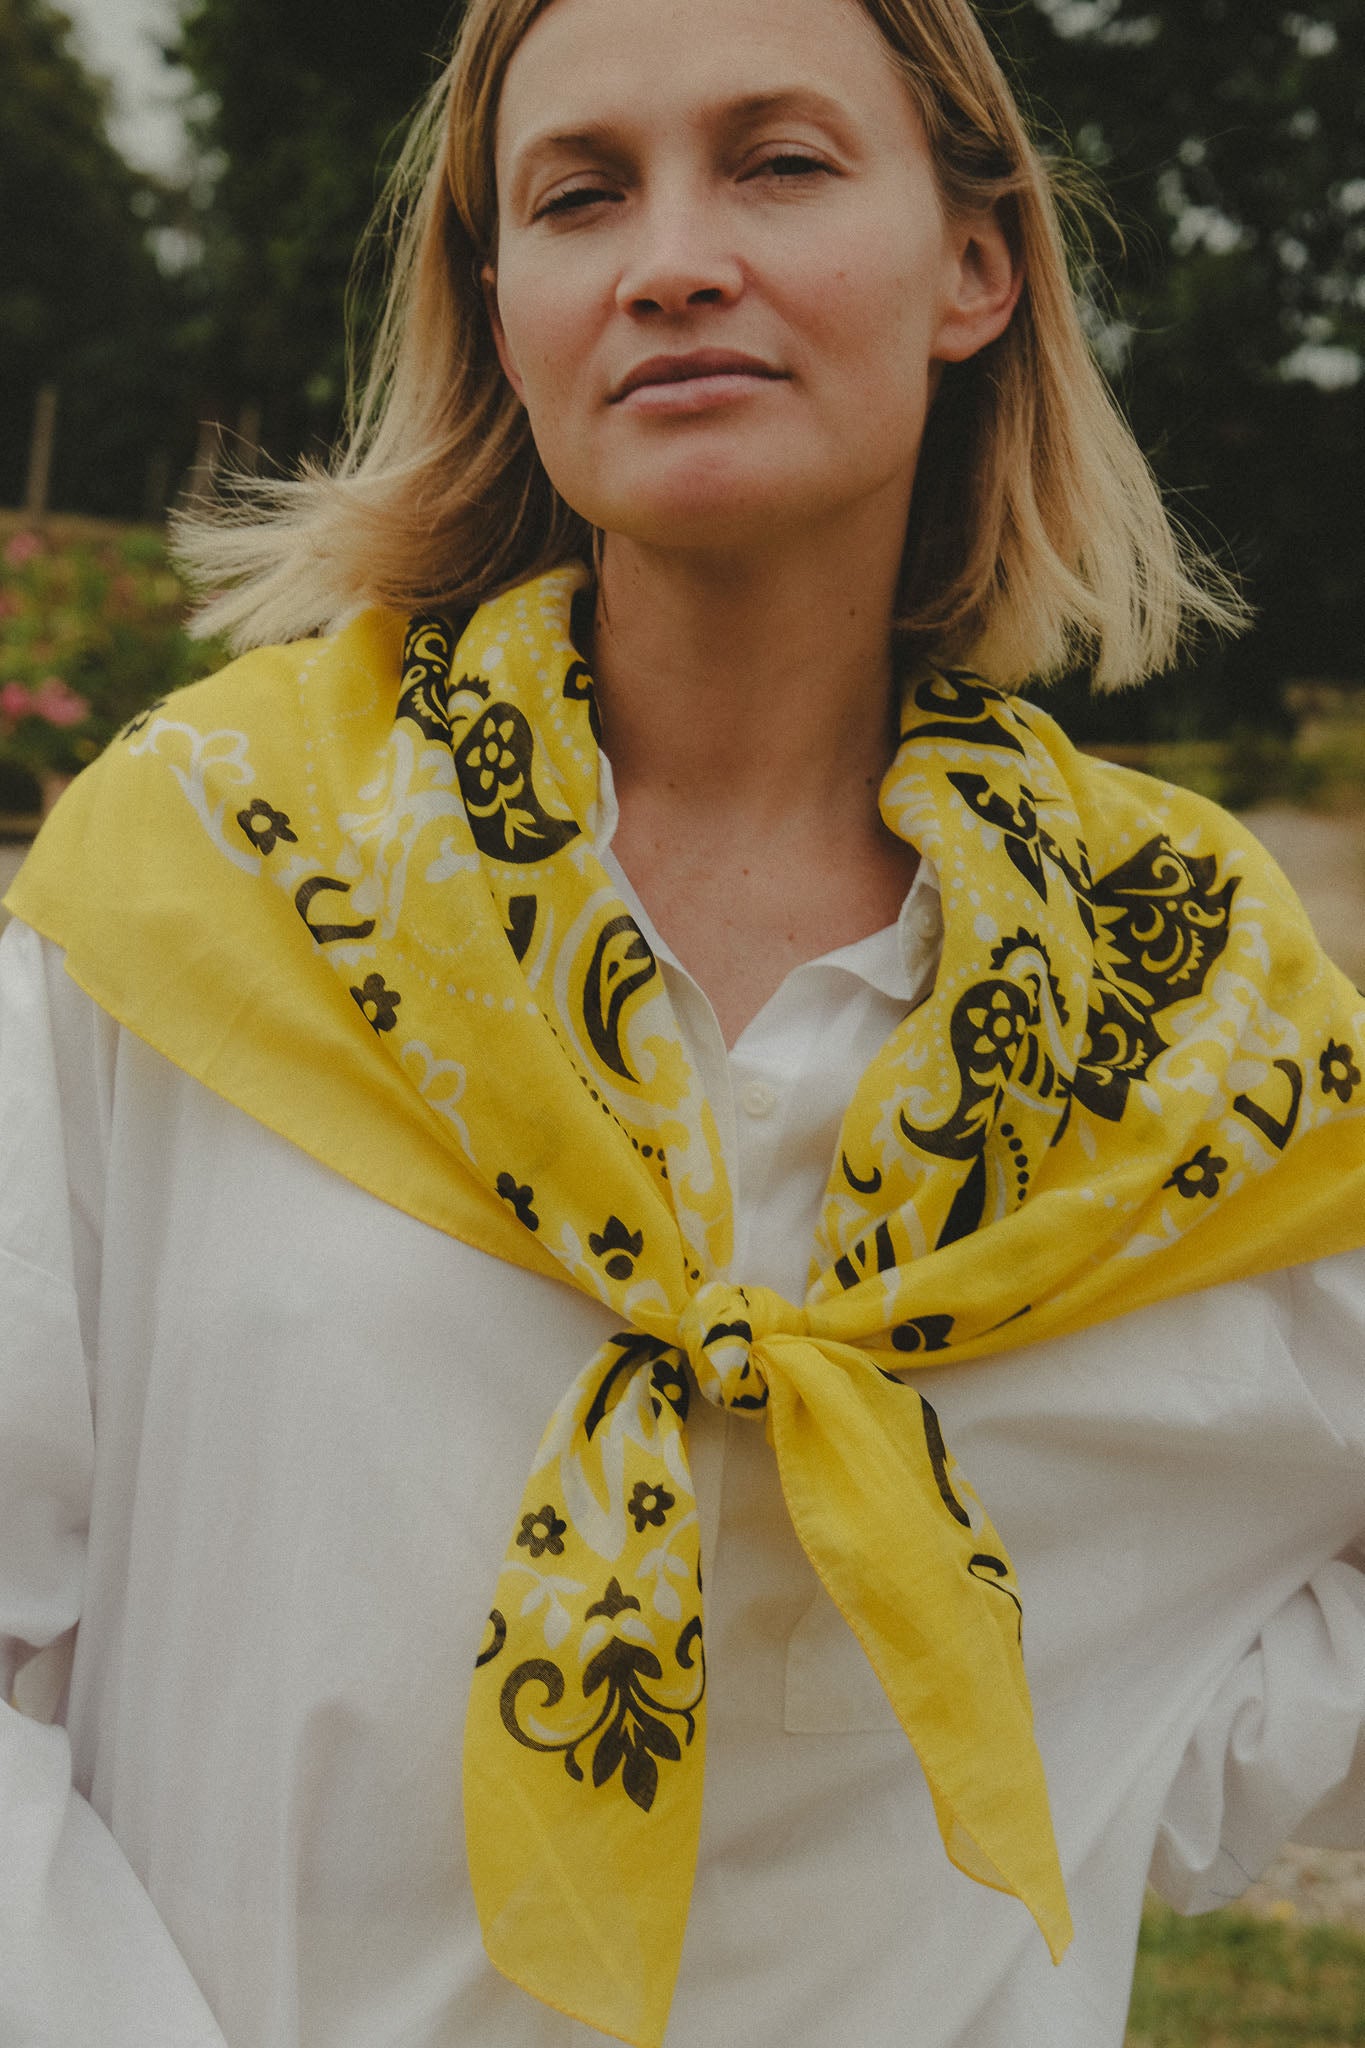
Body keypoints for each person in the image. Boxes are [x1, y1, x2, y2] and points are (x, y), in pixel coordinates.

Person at [2, 0, 1363, 2043]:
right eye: (576, 195)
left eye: (778, 161)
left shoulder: (1181, 1006)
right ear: (504, 300)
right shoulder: (202, 882)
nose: (667, 258)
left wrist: (1107, 1719)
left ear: (971, 266)